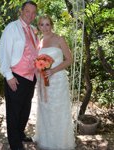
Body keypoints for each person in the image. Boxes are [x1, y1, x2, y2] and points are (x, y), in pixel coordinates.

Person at [0, 1, 39, 150]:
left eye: (33, 13)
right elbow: (4, 52)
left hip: (30, 78)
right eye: (27, 11)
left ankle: (20, 134)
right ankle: (15, 143)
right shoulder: (12, 28)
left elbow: (35, 53)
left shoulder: (33, 30)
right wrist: (8, 76)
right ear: (21, 12)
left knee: (25, 109)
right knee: (14, 112)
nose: (31, 15)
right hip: (16, 76)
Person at [33, 15, 76, 150]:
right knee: (45, 109)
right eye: (42, 25)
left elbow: (69, 60)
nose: (45, 28)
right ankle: (46, 141)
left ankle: (60, 143)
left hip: (57, 80)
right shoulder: (39, 42)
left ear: (51, 25)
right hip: (43, 81)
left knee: (58, 110)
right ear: (39, 27)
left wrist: (53, 71)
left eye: (47, 24)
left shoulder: (59, 39)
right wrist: (39, 73)